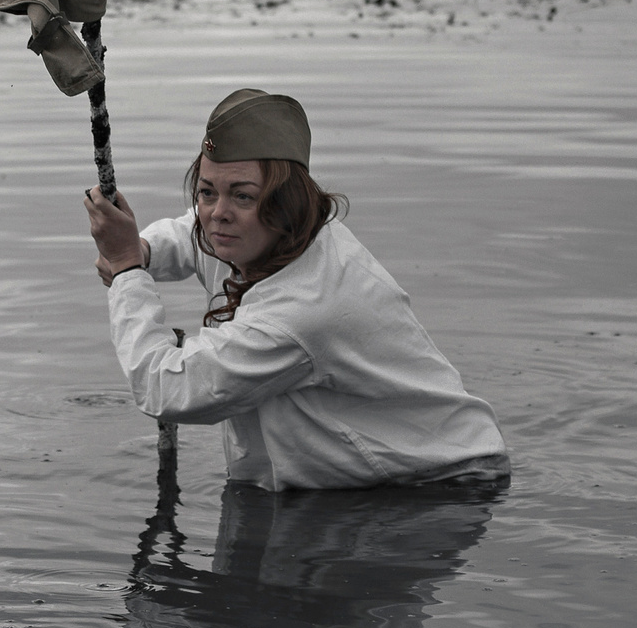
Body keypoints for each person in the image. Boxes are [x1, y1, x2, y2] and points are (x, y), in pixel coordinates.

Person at [82, 88, 509, 491]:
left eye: (242, 197)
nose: (217, 215)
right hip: (364, 486)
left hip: (436, 490)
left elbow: (167, 390)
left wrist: (126, 272)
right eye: (207, 192)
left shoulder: (304, 309)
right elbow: (188, 231)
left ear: (287, 203)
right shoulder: (262, 231)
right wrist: (142, 250)